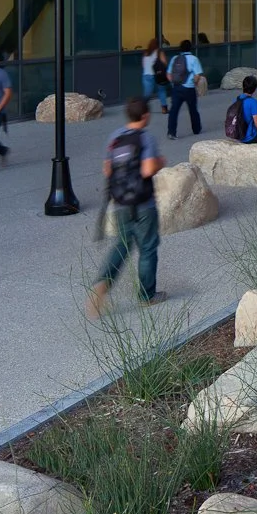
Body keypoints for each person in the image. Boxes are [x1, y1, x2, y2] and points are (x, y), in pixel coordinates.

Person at [86, 96, 166, 317]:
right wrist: (161, 161)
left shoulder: (115, 137)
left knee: (121, 245)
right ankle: (147, 296)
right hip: (144, 204)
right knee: (148, 248)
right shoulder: (146, 138)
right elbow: (148, 169)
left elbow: (107, 170)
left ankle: (102, 283)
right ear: (146, 116)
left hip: (120, 203)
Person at [166, 40, 203, 139]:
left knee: (174, 110)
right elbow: (197, 75)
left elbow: (169, 74)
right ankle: (196, 129)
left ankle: (171, 132)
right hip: (189, 88)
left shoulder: (175, 58)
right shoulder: (194, 59)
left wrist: (174, 83)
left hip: (176, 88)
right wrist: (193, 83)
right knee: (193, 109)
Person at [141, 38, 169, 113]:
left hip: (147, 75)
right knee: (162, 91)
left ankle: (142, 109)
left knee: (147, 94)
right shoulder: (159, 52)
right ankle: (164, 109)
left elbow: (143, 65)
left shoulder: (146, 52)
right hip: (158, 75)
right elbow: (164, 63)